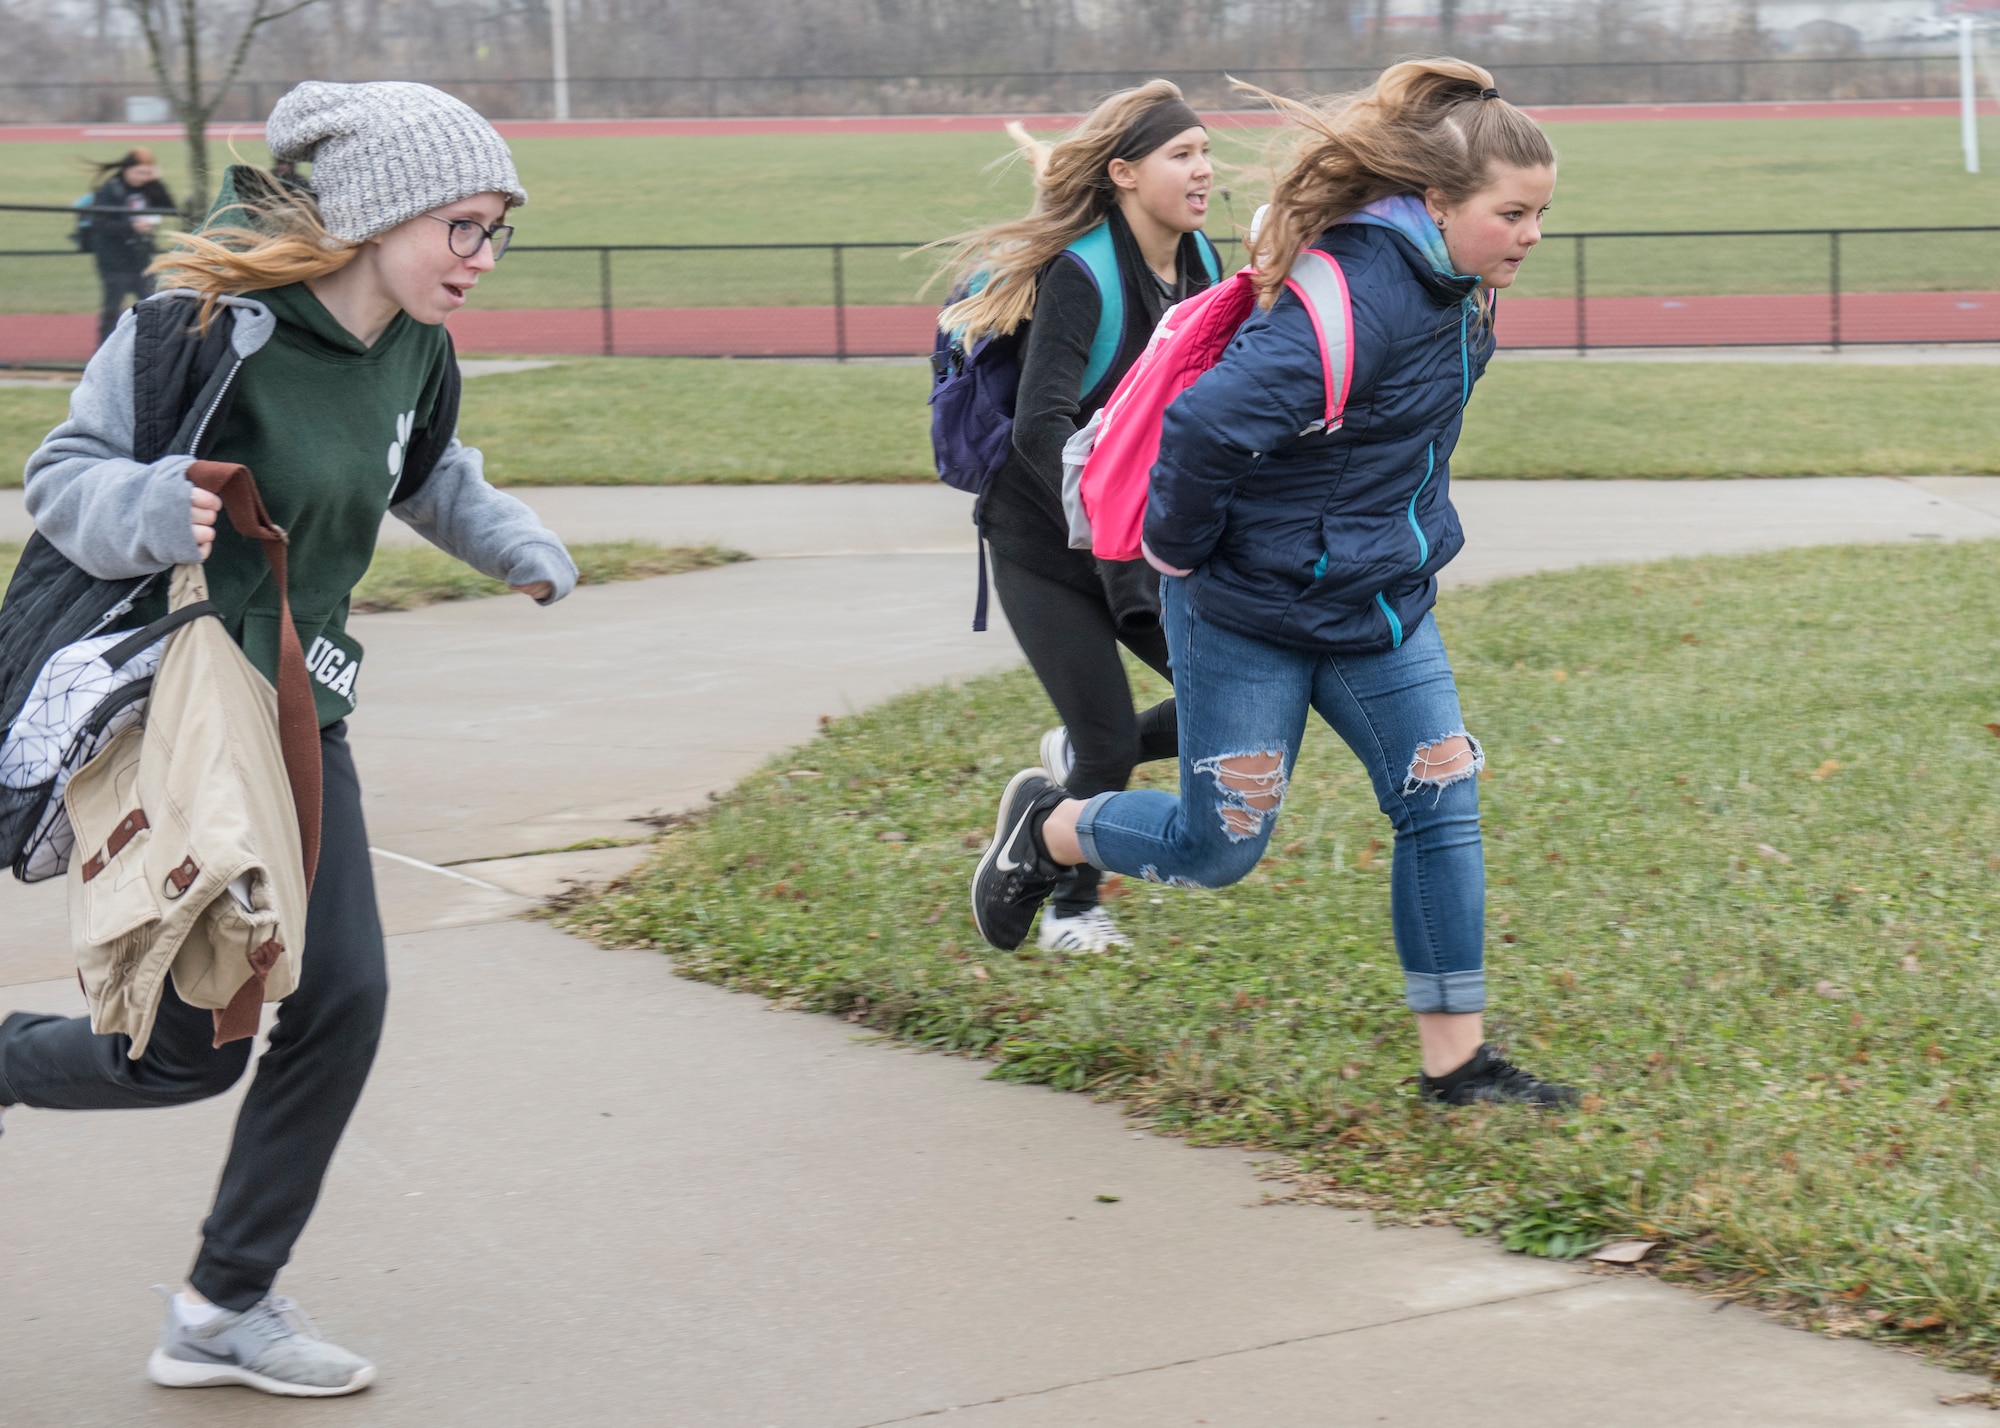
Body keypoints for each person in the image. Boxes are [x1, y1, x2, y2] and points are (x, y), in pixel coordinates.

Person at [0, 80, 577, 1395]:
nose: (483, 262)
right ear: (378, 216)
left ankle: (222, 1303)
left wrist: (513, 542)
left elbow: (426, 467)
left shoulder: (418, 344)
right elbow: (60, 475)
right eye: (465, 229)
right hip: (185, 712)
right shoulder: (202, 332)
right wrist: (151, 505)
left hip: (305, 708)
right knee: (184, 1056)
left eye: (499, 233)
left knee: (339, 1000)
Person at [970, 59, 1580, 1109]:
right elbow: (1205, 429)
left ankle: (1457, 1067)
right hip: (1245, 610)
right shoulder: (1364, 296)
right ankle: (1052, 826)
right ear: (1436, 204)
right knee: (1216, 851)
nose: (1529, 235)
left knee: (1440, 799)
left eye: (1539, 215)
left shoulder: (1460, 291)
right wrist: (1182, 559)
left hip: (1380, 607)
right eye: (1510, 213)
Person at [939, 81, 1219, 953]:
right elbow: (1038, 426)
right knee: (1105, 750)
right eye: (1183, 155)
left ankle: (1060, 779)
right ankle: (1071, 906)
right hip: (1043, 543)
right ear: (1126, 174)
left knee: (1229, 710)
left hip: (1136, 541)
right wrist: (1100, 534)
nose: (1205, 169)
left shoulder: (1203, 265)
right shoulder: (1080, 274)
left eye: (1206, 152)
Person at [86, 147, 176, 346]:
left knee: (153, 305)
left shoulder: (148, 187)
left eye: (147, 172)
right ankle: (104, 350)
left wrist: (156, 180)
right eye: (139, 172)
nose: (142, 177)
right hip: (114, 260)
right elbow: (100, 224)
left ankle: (153, 348)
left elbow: (170, 207)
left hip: (141, 258)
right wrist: (131, 226)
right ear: (127, 169)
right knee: (112, 310)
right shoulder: (110, 189)